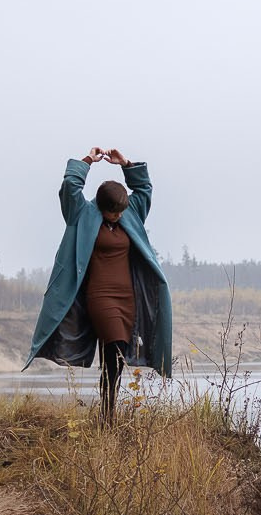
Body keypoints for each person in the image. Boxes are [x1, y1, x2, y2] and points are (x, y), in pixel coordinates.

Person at [25, 147, 174, 414]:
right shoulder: (82, 215)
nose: (118, 215)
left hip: (127, 298)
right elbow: (69, 187)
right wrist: (86, 162)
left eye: (120, 211)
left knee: (113, 359)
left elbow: (144, 189)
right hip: (99, 296)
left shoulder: (130, 214)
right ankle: (108, 415)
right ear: (102, 206)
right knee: (115, 350)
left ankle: (108, 415)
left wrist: (126, 164)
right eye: (113, 212)